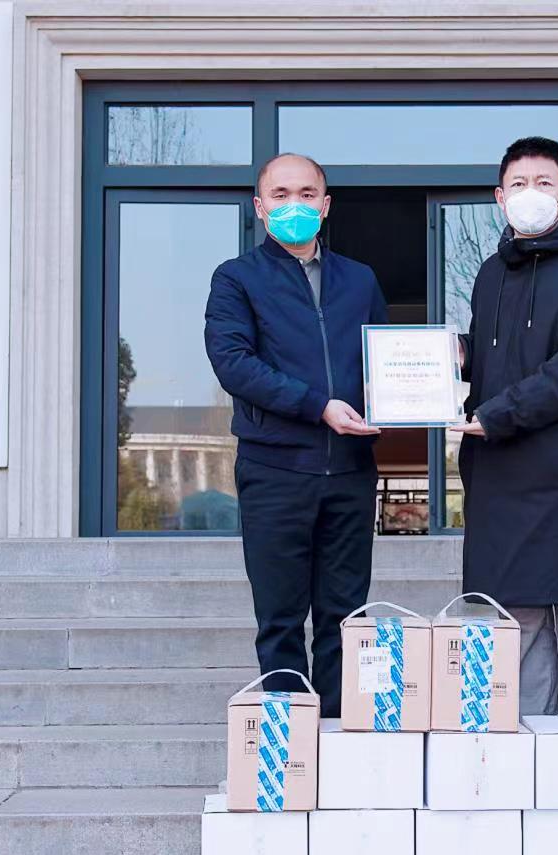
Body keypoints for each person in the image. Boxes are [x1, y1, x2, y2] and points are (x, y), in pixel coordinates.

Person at [204, 153, 386, 717]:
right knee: (280, 619)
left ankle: (338, 740)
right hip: (275, 471)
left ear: (325, 206)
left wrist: (425, 390)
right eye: (281, 195)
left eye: (307, 194)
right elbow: (234, 363)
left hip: (350, 472)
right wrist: (317, 406)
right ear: (260, 208)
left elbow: (384, 358)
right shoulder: (236, 279)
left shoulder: (360, 279)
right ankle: (290, 749)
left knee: (345, 617)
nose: (295, 205)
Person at [451, 136, 558, 716]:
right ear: (500, 197)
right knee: (517, 613)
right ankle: (529, 736)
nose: (532, 194)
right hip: (501, 469)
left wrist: (498, 414)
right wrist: (455, 356)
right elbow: (499, 356)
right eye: (519, 184)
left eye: (544, 183)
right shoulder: (489, 275)